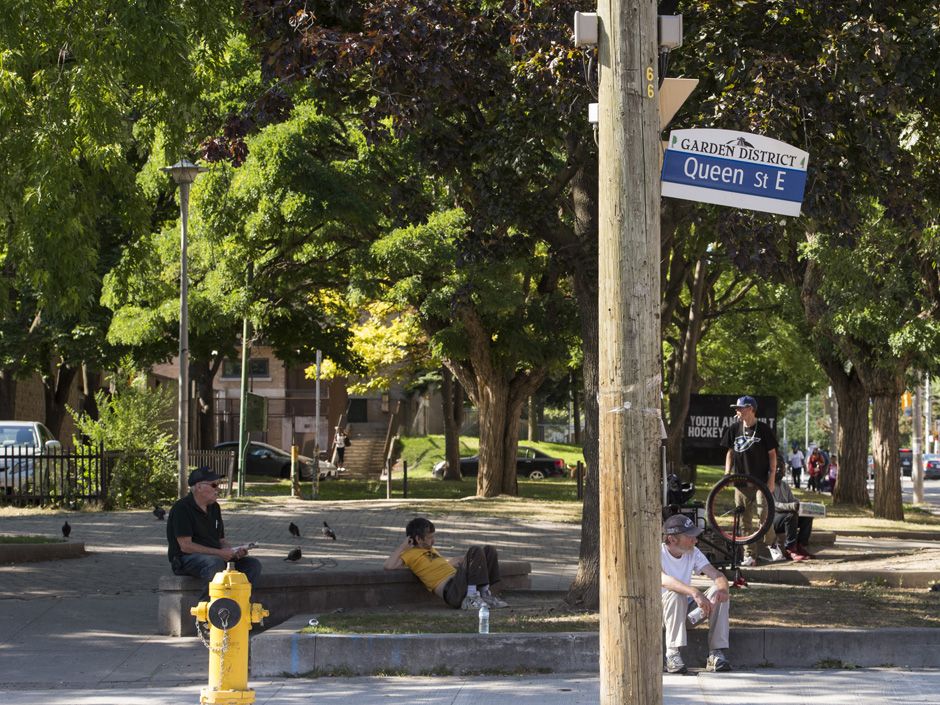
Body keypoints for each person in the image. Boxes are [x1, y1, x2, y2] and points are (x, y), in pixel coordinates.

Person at [167, 468, 262, 608]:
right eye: (214, 485)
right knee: (214, 563)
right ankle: (207, 613)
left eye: (219, 484)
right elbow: (185, 545)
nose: (218, 489)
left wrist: (233, 551)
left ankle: (237, 607)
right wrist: (220, 553)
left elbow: (221, 540)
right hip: (185, 559)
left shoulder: (214, 507)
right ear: (199, 487)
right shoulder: (182, 508)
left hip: (215, 556)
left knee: (252, 565)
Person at [384, 516, 508, 610]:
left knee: (488, 550)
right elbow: (388, 566)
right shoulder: (408, 554)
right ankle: (471, 599)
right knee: (475, 549)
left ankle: (484, 594)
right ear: (418, 539)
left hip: (458, 581)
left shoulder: (430, 550)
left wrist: (469, 559)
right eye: (430, 537)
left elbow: (443, 565)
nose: (434, 541)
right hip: (452, 592)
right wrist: (402, 546)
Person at [661, 514, 732, 674]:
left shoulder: (693, 551)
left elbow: (716, 575)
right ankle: (672, 655)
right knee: (675, 594)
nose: (695, 540)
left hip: (686, 613)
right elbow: (664, 580)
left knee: (717, 592)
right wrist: (694, 592)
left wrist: (722, 590)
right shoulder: (657, 553)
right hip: (662, 615)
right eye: (690, 536)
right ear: (672, 540)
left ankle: (716, 654)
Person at [719, 395, 778, 566]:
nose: (737, 411)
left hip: (760, 481)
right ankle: (749, 555)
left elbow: (772, 455)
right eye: (736, 409)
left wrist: (772, 478)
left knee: (763, 515)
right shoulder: (734, 429)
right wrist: (726, 474)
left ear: (751, 409)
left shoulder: (764, 429)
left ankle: (772, 545)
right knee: (745, 520)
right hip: (740, 482)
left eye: (741, 408)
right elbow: (730, 452)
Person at [770, 466, 813, 561]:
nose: (779, 470)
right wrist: (792, 506)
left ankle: (800, 545)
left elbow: (793, 500)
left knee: (808, 516)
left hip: (787, 516)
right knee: (791, 515)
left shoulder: (784, 485)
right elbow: (774, 505)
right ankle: (790, 549)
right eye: (776, 467)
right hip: (773, 520)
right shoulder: (768, 485)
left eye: (781, 468)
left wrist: (804, 504)